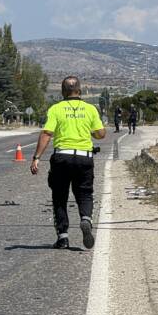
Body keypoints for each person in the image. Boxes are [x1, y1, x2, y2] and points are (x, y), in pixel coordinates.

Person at [31, 76, 105, 249]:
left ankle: (63, 237)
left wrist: (36, 158)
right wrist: (90, 132)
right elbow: (101, 133)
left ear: (63, 91)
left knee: (59, 196)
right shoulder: (90, 109)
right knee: (85, 193)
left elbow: (47, 134)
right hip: (84, 157)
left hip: (62, 158)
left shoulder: (56, 109)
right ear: (79, 90)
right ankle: (85, 219)